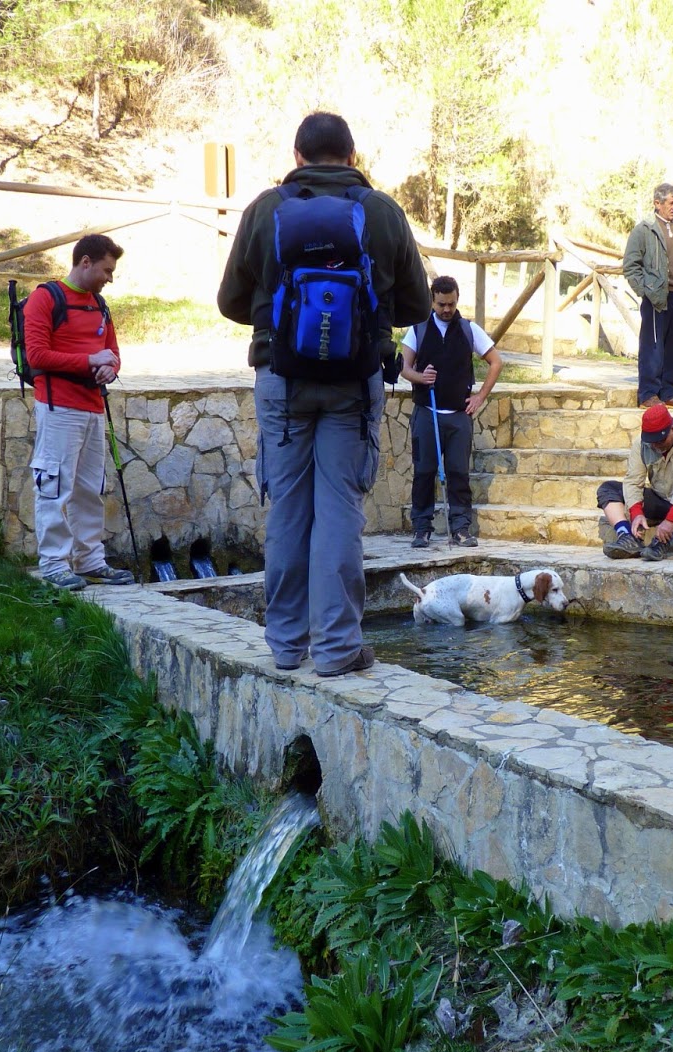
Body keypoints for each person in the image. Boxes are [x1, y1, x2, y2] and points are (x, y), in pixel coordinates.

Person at [217, 111, 429, 677]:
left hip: (281, 379)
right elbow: (417, 307)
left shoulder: (267, 209)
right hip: (354, 385)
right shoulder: (381, 211)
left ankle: (287, 646)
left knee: (288, 508)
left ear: (297, 156)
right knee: (339, 509)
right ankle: (337, 649)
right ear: (353, 157)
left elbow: (230, 302)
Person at [24, 233, 134, 591]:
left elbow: (112, 352)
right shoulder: (45, 298)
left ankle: (90, 561)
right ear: (85, 262)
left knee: (90, 488)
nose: (109, 278)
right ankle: (54, 563)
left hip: (92, 407)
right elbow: (36, 356)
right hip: (58, 407)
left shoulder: (100, 305)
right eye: (106, 269)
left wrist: (110, 368)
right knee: (55, 486)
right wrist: (90, 361)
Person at [400, 275, 504, 549]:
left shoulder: (469, 330)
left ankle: (460, 529)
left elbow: (496, 362)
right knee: (424, 472)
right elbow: (404, 367)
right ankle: (421, 529)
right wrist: (421, 378)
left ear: (457, 300)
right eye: (441, 304)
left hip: (459, 416)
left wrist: (480, 396)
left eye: (451, 303)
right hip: (427, 412)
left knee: (458, 473)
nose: (447, 309)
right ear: (432, 301)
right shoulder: (418, 330)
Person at [597, 402, 673, 563]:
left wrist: (670, 522)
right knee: (608, 489)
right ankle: (627, 537)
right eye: (652, 442)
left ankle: (663, 542)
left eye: (660, 441)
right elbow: (633, 480)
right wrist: (636, 513)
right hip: (661, 499)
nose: (656, 446)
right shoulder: (641, 444)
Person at [622, 183, 673, 409]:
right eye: (670, 202)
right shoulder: (644, 230)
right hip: (657, 297)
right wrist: (645, 290)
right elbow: (631, 266)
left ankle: (669, 391)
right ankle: (648, 393)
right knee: (653, 346)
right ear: (657, 204)